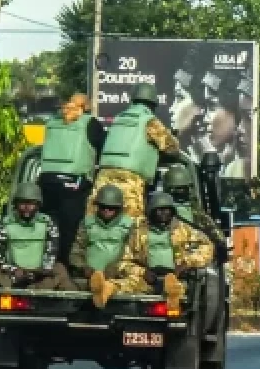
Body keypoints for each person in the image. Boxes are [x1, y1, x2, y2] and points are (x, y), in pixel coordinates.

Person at [93, 192, 213, 310]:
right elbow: (124, 262)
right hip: (148, 277)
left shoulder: (184, 230)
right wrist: (142, 272)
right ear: (151, 211)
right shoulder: (139, 232)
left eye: (167, 210)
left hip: (175, 276)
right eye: (159, 210)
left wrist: (186, 263)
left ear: (172, 211)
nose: (163, 213)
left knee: (176, 287)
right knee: (123, 284)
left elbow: (207, 247)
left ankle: (172, 298)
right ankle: (103, 291)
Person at [86, 82, 181, 223]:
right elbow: (172, 149)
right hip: (130, 180)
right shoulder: (149, 121)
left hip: (103, 177)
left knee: (95, 223)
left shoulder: (118, 119)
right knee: (133, 228)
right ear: (153, 103)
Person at [38, 93, 106, 259]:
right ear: (85, 108)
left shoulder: (52, 122)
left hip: (46, 183)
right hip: (74, 185)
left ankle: (44, 262)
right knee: (71, 232)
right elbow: (105, 148)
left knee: (45, 227)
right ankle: (65, 268)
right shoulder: (90, 123)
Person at [0, 182, 73, 290]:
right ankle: (12, 286)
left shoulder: (47, 223)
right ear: (15, 204)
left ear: (38, 205)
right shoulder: (4, 224)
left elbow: (51, 254)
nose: (26, 207)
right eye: (22, 203)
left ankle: (37, 287)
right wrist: (14, 270)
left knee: (60, 269)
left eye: (31, 204)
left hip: (39, 274)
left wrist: (37, 272)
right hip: (13, 274)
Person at [67, 185, 134, 304]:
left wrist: (116, 269)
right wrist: (83, 267)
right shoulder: (87, 223)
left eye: (111, 208)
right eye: (103, 207)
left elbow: (132, 253)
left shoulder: (129, 225)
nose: (106, 211)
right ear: (97, 206)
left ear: (119, 208)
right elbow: (76, 250)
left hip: (117, 276)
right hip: (88, 276)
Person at [162, 164, 227, 263]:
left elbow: (215, 233)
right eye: (177, 189)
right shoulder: (158, 211)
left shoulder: (196, 212)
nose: (181, 192)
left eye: (183, 189)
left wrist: (220, 244)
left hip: (190, 263)